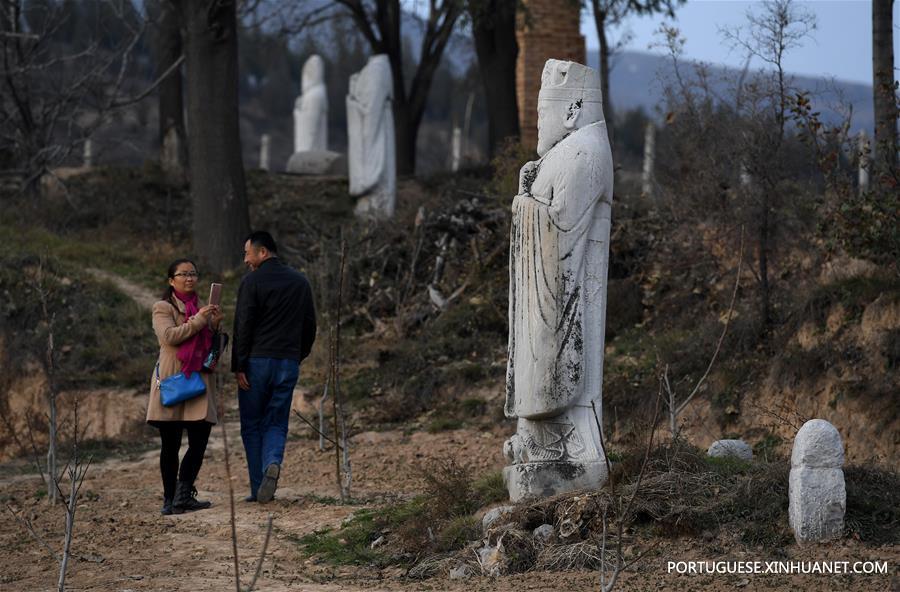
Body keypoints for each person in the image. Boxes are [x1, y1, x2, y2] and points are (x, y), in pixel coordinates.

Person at [233, 231, 316, 503]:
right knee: (277, 421)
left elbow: (243, 325)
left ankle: (259, 487)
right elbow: (310, 326)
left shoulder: (252, 282)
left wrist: (239, 365)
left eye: (248, 253)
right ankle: (272, 461)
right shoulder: (300, 282)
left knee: (252, 423)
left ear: (263, 252)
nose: (246, 260)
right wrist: (297, 356)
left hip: (257, 362)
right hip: (287, 362)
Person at [147, 259, 223, 515]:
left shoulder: (201, 307)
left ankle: (184, 493)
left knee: (199, 440)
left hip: (199, 380)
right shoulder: (162, 307)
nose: (189, 278)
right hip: (173, 380)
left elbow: (207, 342)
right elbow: (169, 337)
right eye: (183, 274)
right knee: (170, 444)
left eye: (193, 273)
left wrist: (213, 325)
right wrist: (200, 322)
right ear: (171, 280)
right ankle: (169, 500)